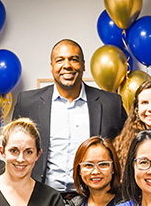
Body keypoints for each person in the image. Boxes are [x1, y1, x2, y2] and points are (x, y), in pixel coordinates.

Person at [12, 39, 127, 193]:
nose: (67, 65)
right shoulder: (27, 103)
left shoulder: (111, 104)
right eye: (60, 60)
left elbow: (126, 149)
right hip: (40, 197)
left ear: (84, 65)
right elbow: (13, 151)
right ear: (52, 67)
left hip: (93, 199)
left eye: (74, 59)